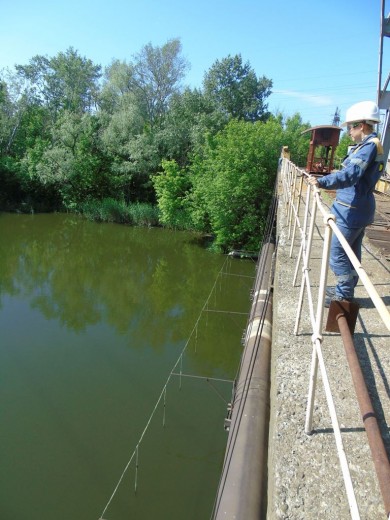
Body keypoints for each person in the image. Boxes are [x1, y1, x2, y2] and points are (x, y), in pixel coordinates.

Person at [308, 101, 384, 306]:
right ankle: (346, 289)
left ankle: (343, 295)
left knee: (338, 253)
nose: (348, 131)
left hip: (352, 211)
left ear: (362, 125)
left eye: (351, 126)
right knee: (351, 253)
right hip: (354, 209)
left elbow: (350, 175)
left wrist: (322, 181)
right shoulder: (367, 146)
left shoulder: (368, 147)